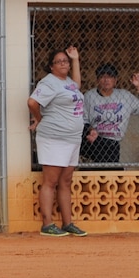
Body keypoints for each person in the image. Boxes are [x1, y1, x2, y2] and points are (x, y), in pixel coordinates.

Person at [27, 47, 88, 237]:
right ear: (51, 66)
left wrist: (76, 60)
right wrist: (39, 118)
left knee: (66, 181)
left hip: (71, 139)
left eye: (65, 61)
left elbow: (77, 84)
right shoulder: (49, 82)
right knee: (51, 181)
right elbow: (32, 102)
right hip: (54, 138)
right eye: (59, 61)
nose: (63, 63)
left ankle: (67, 223)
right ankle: (47, 224)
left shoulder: (68, 82)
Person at [82, 63, 139, 165]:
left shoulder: (124, 96)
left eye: (110, 77)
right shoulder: (89, 96)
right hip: (94, 140)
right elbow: (83, 120)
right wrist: (90, 130)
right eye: (102, 77)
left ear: (115, 80)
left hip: (112, 143)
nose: (106, 80)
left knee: (109, 156)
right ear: (97, 80)